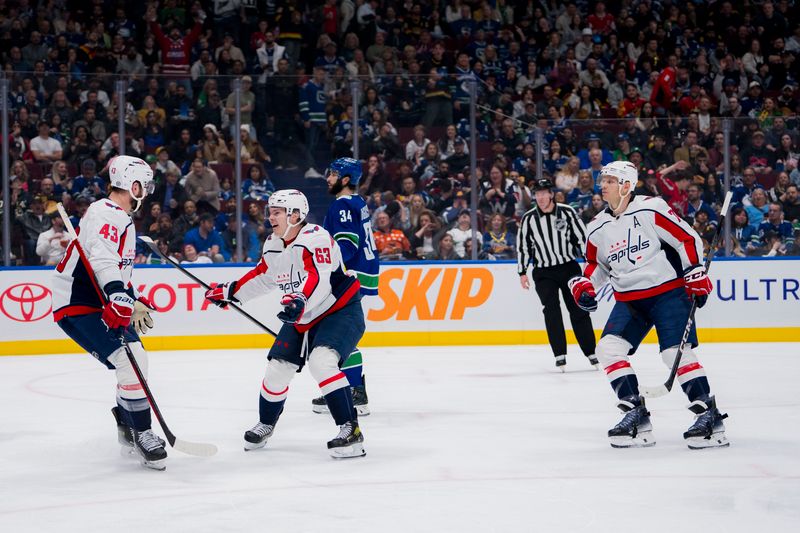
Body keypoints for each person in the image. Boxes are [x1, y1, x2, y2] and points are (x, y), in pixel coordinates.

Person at [567, 160, 728, 449]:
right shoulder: (596, 227)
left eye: (610, 181)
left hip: (668, 293)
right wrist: (586, 284)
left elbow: (686, 238)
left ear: (627, 185)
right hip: (629, 299)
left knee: (673, 354)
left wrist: (694, 271)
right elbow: (596, 264)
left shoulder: (650, 208)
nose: (602, 185)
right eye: (602, 180)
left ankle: (709, 417)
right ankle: (635, 415)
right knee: (608, 348)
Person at [204, 190, 366, 458]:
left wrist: (300, 299)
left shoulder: (316, 238)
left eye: (277, 212)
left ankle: (351, 431)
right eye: (270, 212)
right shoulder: (274, 244)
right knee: (277, 369)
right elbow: (264, 276)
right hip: (302, 314)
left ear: (295, 215)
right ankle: (266, 424)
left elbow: (320, 278)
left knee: (321, 361)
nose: (270, 217)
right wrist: (231, 291)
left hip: (339, 310)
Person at [51, 155, 166, 469]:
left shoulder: (117, 216)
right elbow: (101, 259)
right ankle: (141, 432)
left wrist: (131, 296)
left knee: (133, 358)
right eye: (145, 183)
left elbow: (115, 269)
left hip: (100, 299)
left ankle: (127, 424)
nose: (148, 190)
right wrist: (118, 296)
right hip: (80, 301)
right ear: (132, 183)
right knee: (132, 360)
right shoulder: (108, 212)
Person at [310, 158, 380, 416]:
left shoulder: (342, 205)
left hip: (352, 274)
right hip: (364, 272)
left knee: (338, 334)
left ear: (346, 179)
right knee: (339, 332)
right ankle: (350, 389)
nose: (328, 178)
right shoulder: (358, 201)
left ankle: (353, 392)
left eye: (333, 174)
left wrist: (326, 271)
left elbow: (346, 247)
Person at [516, 178, 597, 371]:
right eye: (538, 193)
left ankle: (591, 352)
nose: (541, 197)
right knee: (551, 311)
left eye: (544, 193)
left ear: (551, 194)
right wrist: (522, 272)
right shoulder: (529, 218)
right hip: (543, 271)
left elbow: (582, 238)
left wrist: (589, 262)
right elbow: (523, 247)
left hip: (569, 267)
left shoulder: (567, 212)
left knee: (578, 309)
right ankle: (559, 354)